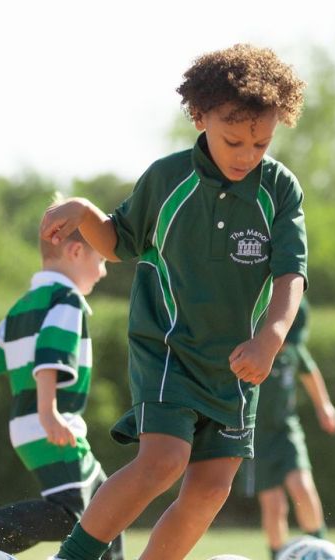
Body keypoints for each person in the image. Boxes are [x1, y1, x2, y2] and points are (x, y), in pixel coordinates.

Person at [41, 43, 309, 560]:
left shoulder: (280, 189)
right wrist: (82, 211)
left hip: (238, 363)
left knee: (211, 488)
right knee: (162, 462)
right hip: (168, 350)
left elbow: (289, 274)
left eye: (260, 143)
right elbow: (119, 242)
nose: (246, 155)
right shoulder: (167, 179)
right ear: (199, 115)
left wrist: (270, 338)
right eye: (234, 140)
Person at [0, 207, 120, 559]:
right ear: (76, 252)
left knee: (109, 500)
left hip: (31, 426)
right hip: (52, 424)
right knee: (75, 512)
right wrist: (49, 411)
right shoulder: (67, 301)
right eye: (101, 258)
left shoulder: (23, 307)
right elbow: (51, 354)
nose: (104, 270)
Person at [238, 300, 335, 560]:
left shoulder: (294, 350)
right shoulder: (248, 351)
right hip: (255, 435)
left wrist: (324, 406)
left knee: (302, 487)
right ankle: (278, 555)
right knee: (274, 505)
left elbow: (310, 373)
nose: (283, 346)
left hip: (286, 429)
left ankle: (320, 549)